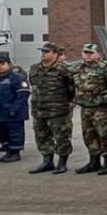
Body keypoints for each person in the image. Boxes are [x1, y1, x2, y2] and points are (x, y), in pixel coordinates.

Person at [28, 42, 75, 174]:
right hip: (39, 109)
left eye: (46, 52)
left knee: (62, 137)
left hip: (58, 110)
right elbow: (34, 86)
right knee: (42, 137)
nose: (43, 54)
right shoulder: (34, 68)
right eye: (42, 51)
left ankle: (62, 163)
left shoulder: (65, 69)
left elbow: (72, 87)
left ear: (55, 54)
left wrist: (70, 101)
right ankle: (47, 161)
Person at [73, 44, 107, 175]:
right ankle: (94, 162)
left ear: (97, 54)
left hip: (101, 108)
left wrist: (104, 98)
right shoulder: (78, 68)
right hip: (85, 107)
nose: (88, 55)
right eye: (85, 52)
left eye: (91, 53)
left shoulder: (106, 69)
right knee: (89, 135)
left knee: (104, 135)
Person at [0, 52, 30, 165]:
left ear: (9, 64)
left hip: (13, 113)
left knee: (14, 133)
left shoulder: (17, 78)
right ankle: (8, 152)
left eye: (2, 63)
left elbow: (22, 95)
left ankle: (15, 153)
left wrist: (13, 109)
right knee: (2, 133)